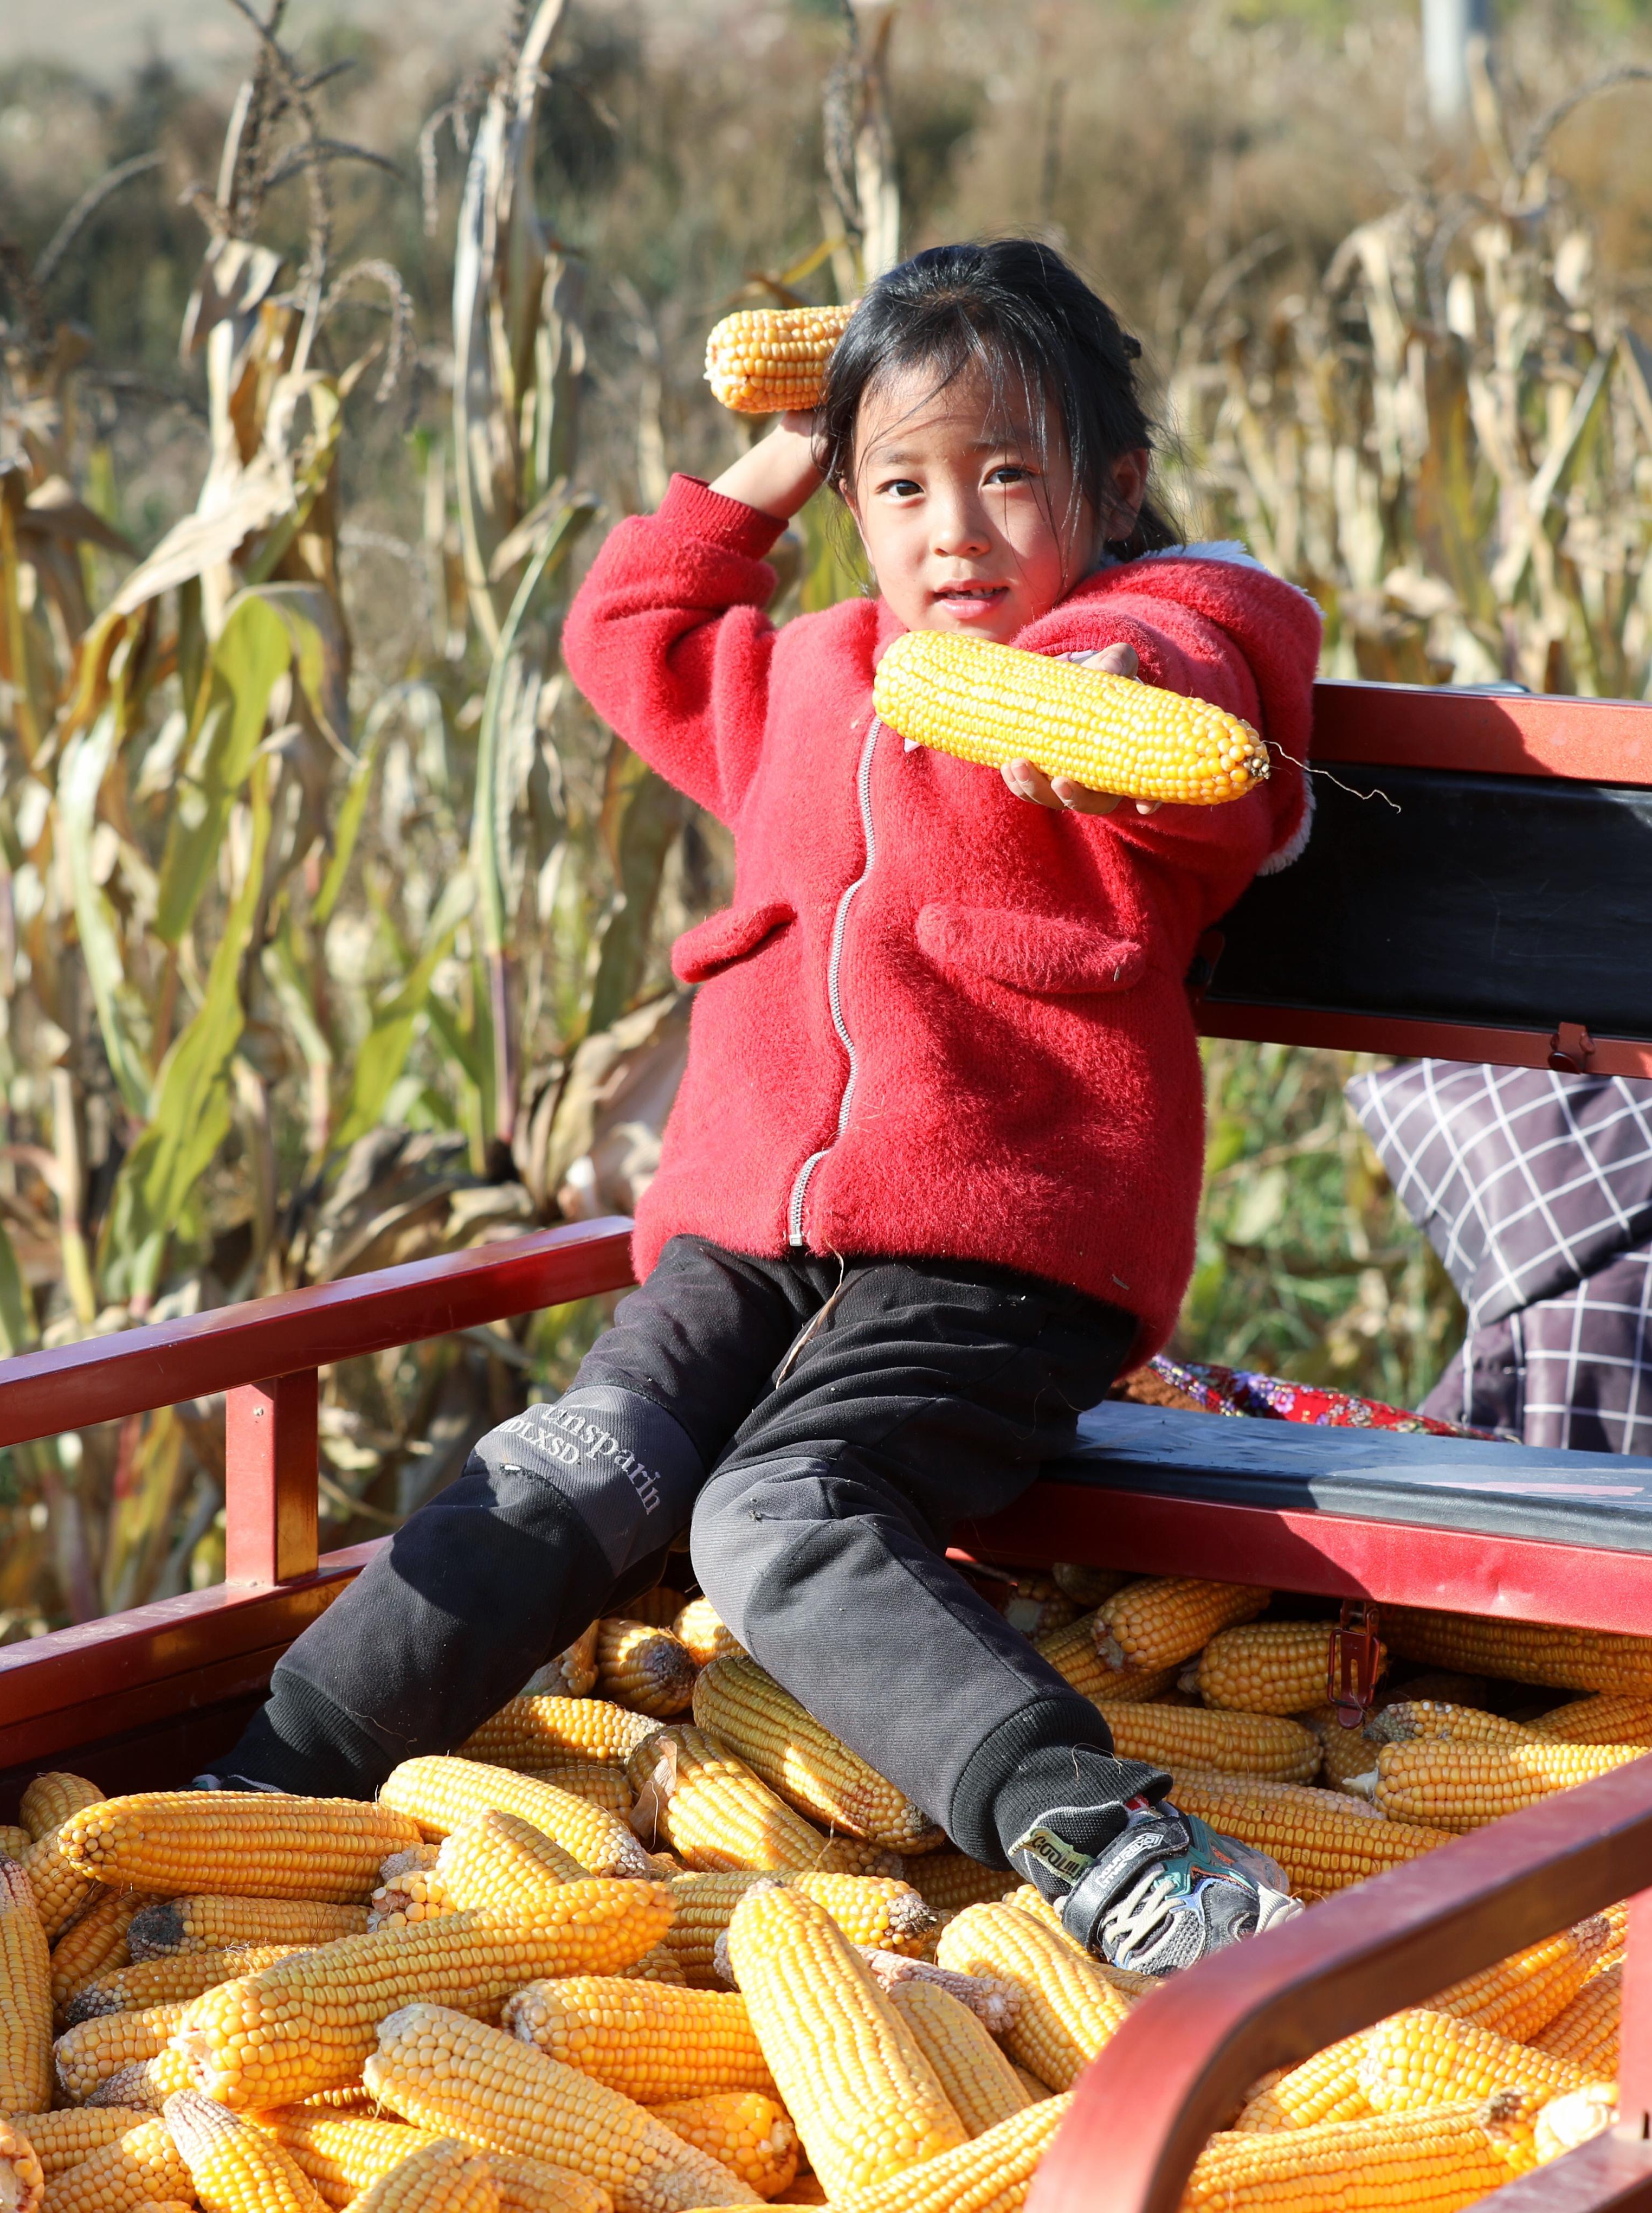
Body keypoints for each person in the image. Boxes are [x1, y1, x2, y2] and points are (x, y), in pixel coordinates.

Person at [204, 239, 1324, 1976]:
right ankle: (267, 1781)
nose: (955, 531)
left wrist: (1111, 705)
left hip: (999, 1244)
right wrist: (784, 453)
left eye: (1008, 475)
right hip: (747, 1227)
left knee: (773, 1514)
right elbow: (626, 628)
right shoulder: (810, 672)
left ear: (1114, 488)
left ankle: (1106, 1836)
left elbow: (1221, 708)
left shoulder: (1146, 650)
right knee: (574, 1465)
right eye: (904, 483)